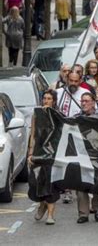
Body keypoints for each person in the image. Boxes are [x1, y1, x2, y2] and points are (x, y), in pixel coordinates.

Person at [28, 90, 60, 225]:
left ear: (54, 101)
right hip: (38, 151)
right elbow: (33, 134)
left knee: (50, 184)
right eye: (44, 98)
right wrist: (30, 153)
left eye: (49, 99)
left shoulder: (57, 115)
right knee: (36, 182)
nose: (46, 101)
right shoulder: (36, 114)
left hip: (52, 153)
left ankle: (51, 215)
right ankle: (42, 205)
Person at [75, 92, 98, 224]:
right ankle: (83, 213)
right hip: (81, 154)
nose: (84, 103)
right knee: (80, 184)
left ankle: (97, 208)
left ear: (93, 102)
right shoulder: (76, 117)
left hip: (97, 154)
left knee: (97, 183)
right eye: (82, 101)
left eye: (87, 101)